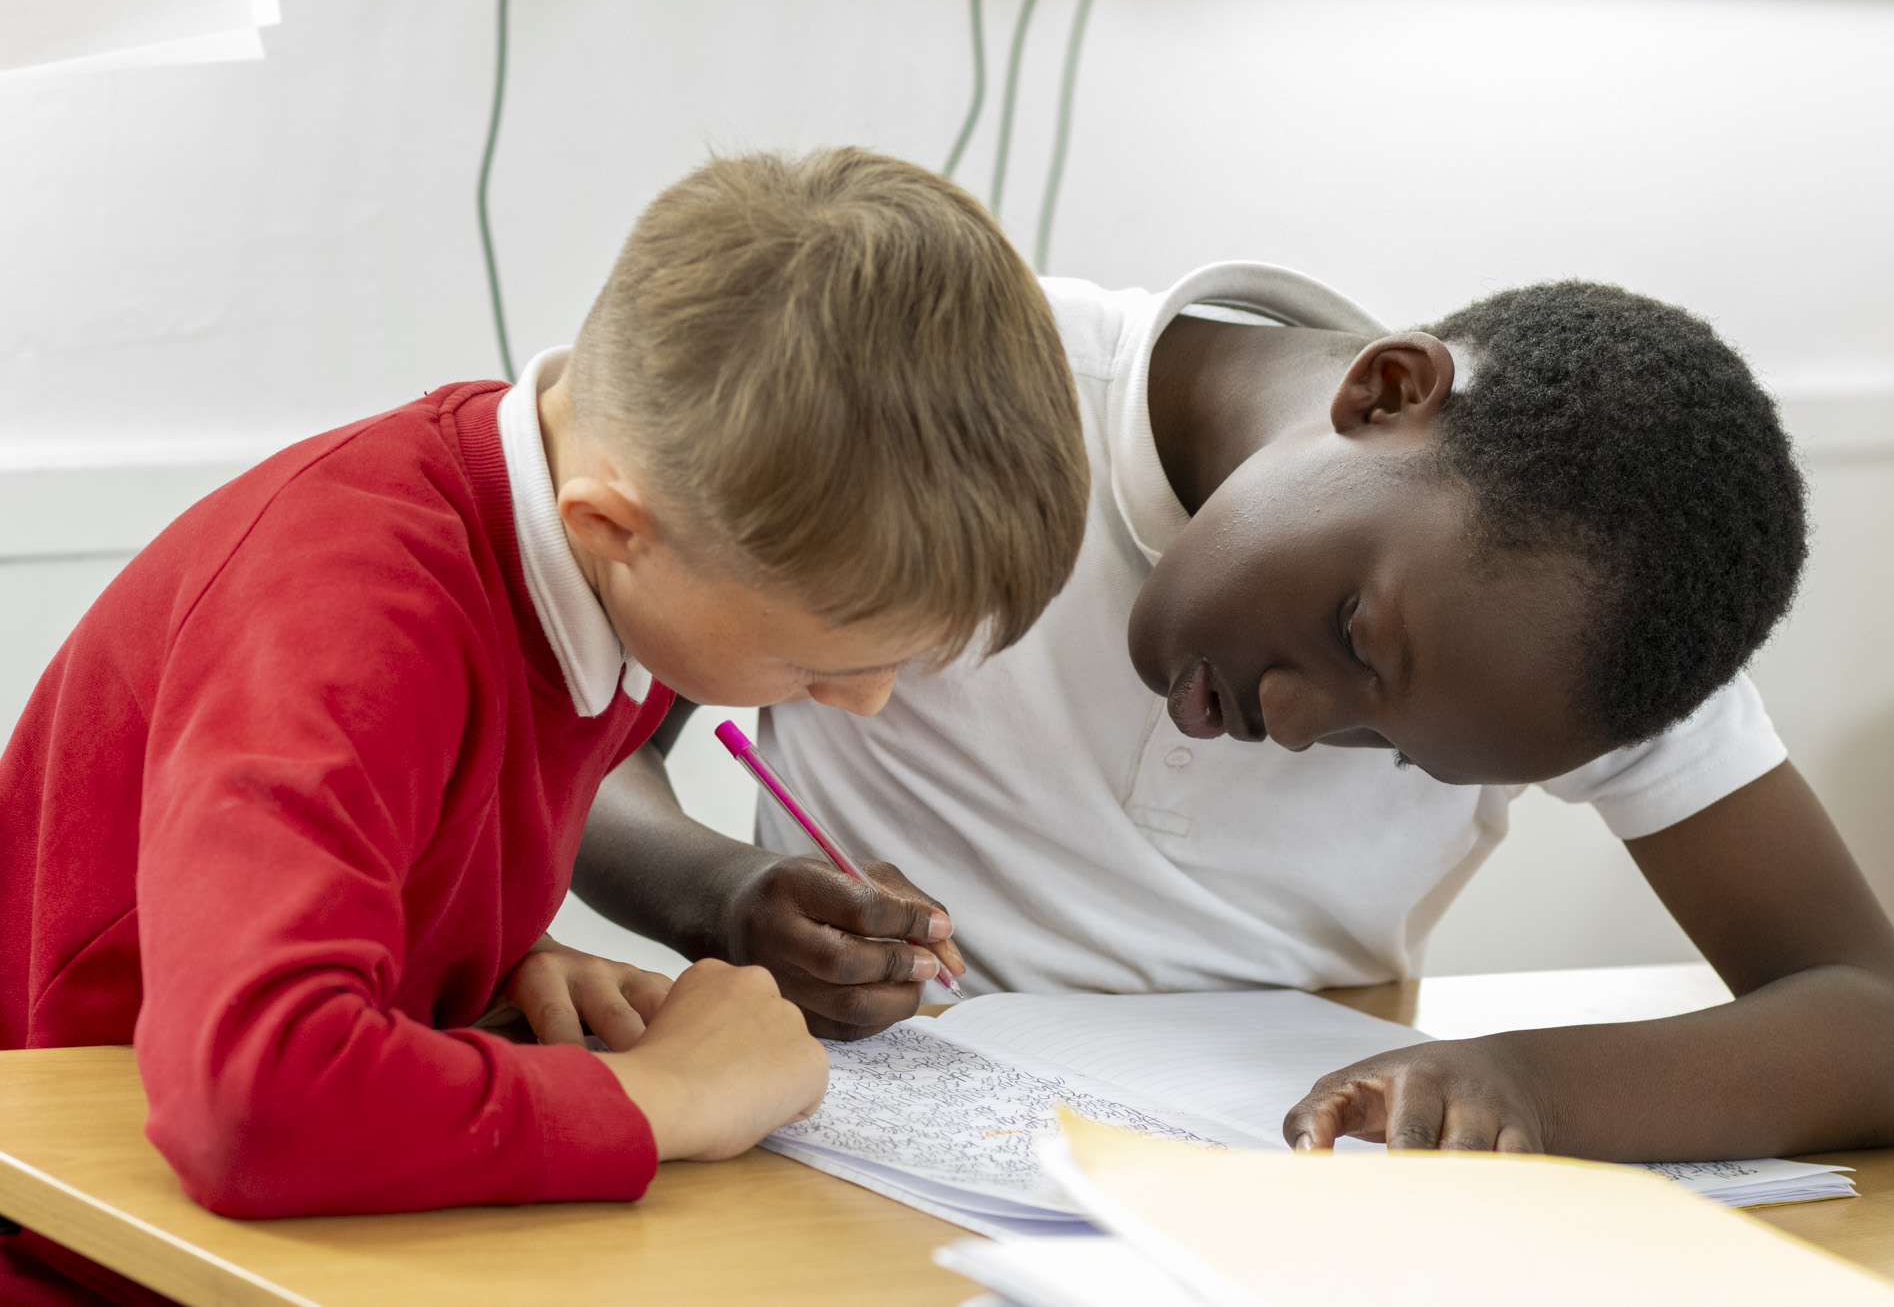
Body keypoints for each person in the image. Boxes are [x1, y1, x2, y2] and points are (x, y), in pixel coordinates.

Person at [0, 147, 1084, 1303]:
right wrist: (673, 1095)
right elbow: (252, 1097)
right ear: (613, 525)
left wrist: (495, 959)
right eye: (818, 663)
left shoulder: (606, 558)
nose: (861, 702)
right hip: (97, 1250)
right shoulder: (351, 619)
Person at [573, 260, 1894, 1162]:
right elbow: (562, 744)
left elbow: (1875, 1027)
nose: (1296, 719)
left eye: (1387, 747)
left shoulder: (1594, 631)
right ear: (1385, 393)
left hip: (1264, 1197)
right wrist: (731, 891)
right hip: (858, 1153)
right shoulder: (960, 401)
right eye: (1355, 630)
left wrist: (1534, 1087)